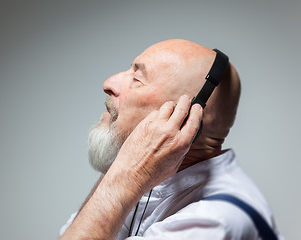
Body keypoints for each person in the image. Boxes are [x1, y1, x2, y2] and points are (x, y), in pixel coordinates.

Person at [59, 39, 282, 239]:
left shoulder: (213, 222)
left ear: (184, 120)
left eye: (137, 79)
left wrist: (127, 177)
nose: (109, 83)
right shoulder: (149, 174)